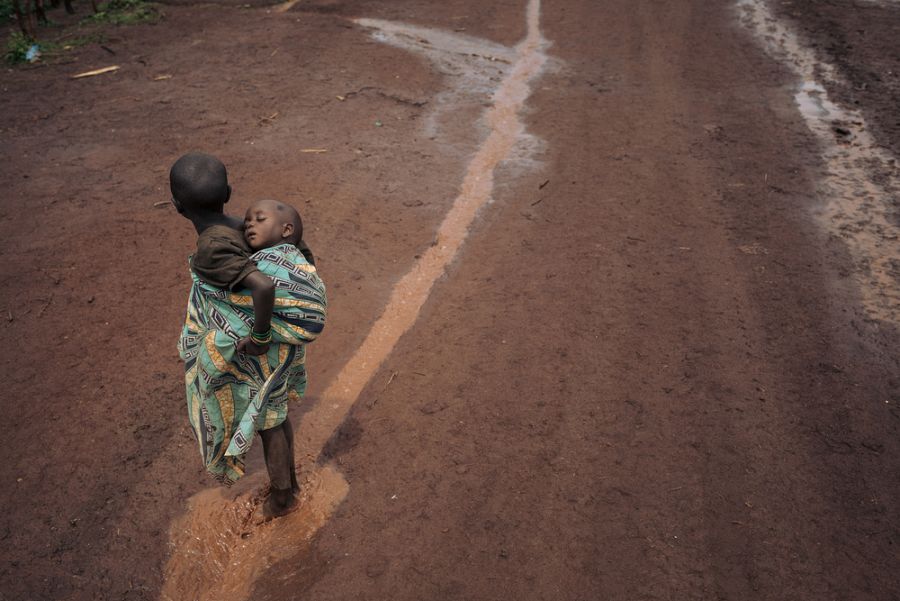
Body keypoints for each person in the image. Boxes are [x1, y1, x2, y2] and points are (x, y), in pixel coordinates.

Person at [171, 152, 326, 517]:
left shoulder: (212, 246)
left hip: (261, 345)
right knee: (275, 413)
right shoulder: (250, 229)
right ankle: (291, 483)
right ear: (228, 191)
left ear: (178, 207)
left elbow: (262, 287)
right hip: (278, 343)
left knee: (268, 423)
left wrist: (258, 336)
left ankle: (283, 498)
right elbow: (297, 253)